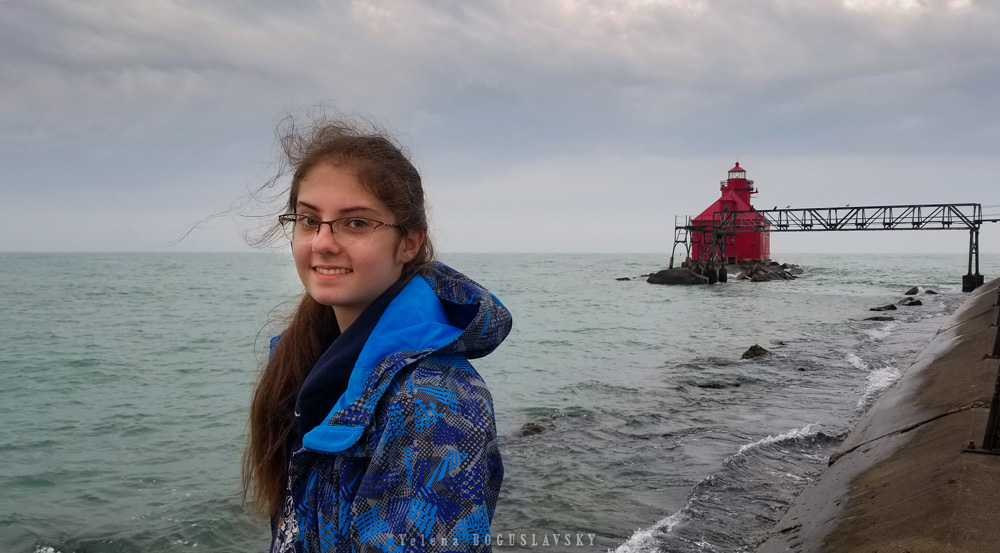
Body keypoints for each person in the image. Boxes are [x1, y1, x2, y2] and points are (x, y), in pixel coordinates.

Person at [242, 118, 512, 553]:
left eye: (356, 224)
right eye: (310, 219)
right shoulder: (303, 359)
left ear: (408, 243)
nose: (322, 243)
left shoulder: (436, 404)